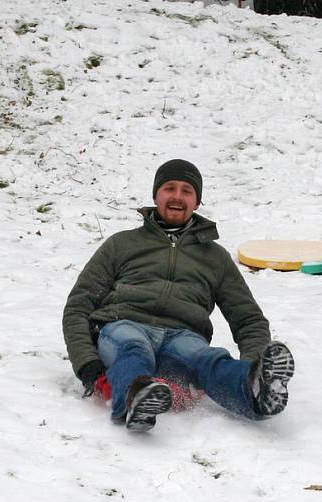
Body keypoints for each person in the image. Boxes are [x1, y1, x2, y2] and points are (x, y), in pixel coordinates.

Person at [62, 159, 294, 431]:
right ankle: (135, 397)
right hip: (124, 325)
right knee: (133, 348)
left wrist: (253, 362)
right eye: (169, 188)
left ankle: (255, 389)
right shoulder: (121, 244)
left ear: (196, 202)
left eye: (187, 191)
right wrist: (87, 365)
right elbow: (78, 306)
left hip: (182, 335)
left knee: (208, 360)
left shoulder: (215, 258)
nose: (177, 196)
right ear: (155, 195)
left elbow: (248, 319)